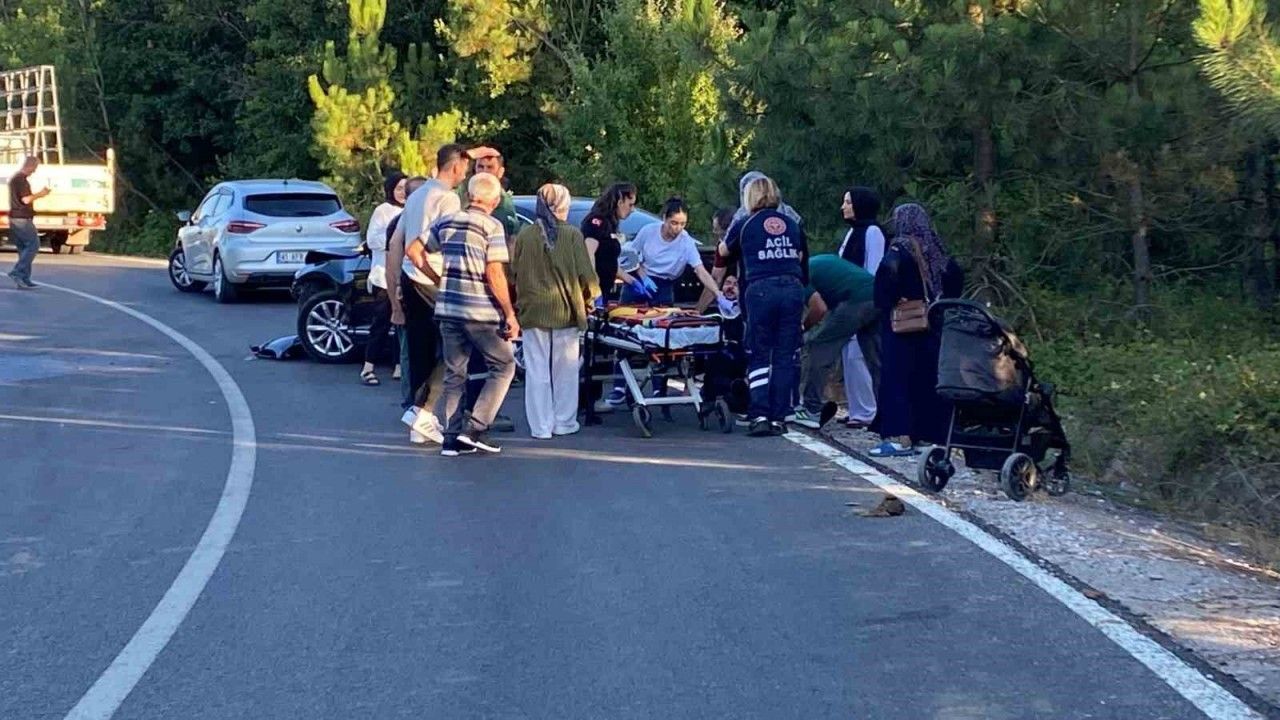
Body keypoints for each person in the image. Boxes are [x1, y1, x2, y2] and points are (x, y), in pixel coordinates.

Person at [427, 172, 519, 456]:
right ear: (495, 200)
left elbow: (416, 249)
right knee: (504, 365)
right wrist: (509, 313)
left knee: (455, 374)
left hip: (448, 308)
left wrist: (437, 278)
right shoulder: (492, 226)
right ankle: (476, 428)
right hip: (480, 311)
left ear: (469, 196)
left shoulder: (445, 222)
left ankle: (450, 439)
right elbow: (495, 272)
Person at [389, 143, 471, 446]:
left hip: (410, 278)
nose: (466, 174)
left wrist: (396, 286)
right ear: (455, 167)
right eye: (465, 168)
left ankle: (418, 417)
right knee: (455, 345)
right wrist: (441, 278)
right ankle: (424, 411)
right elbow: (446, 241)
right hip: (433, 276)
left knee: (420, 348)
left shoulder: (417, 195)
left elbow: (399, 242)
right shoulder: (448, 199)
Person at [870, 202, 965, 457]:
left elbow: (884, 285)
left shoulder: (899, 249)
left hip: (903, 327)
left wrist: (892, 300)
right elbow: (955, 277)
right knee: (928, 379)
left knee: (898, 380)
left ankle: (898, 437)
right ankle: (930, 436)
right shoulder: (936, 249)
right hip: (933, 325)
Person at [720, 175, 809, 437]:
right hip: (792, 288)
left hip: (760, 289)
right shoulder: (791, 223)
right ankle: (779, 417)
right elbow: (801, 257)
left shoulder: (745, 223)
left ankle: (759, 414)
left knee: (759, 354)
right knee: (784, 356)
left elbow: (723, 252)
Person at [510, 183, 600, 439]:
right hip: (566, 310)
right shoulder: (572, 235)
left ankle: (541, 427)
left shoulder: (526, 235)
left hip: (532, 309)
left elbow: (514, 271)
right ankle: (564, 421)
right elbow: (586, 274)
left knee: (537, 369)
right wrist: (591, 299)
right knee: (566, 370)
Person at [794, 254, 877, 430]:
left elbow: (819, 308)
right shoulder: (818, 262)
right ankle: (887, 416)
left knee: (819, 347)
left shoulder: (799, 274)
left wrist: (802, 329)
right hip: (877, 295)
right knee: (876, 361)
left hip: (855, 300)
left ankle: (811, 409)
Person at [835, 186, 886, 428]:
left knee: (859, 355)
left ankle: (868, 410)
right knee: (848, 354)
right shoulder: (852, 232)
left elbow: (873, 268)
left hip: (863, 301)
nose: (843, 207)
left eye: (848, 202)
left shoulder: (873, 232)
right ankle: (857, 407)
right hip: (848, 300)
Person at [623, 197, 723, 305]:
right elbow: (630, 255)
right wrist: (643, 276)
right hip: (639, 280)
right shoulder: (648, 231)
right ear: (665, 218)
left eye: (682, 224)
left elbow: (700, 271)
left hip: (664, 286)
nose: (678, 228)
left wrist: (718, 294)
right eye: (674, 223)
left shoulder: (686, 242)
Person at [359, 171, 407, 386]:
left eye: (406, 189)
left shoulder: (411, 211)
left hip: (404, 276)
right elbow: (372, 240)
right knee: (381, 322)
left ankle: (398, 365)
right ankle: (368, 367)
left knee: (401, 324)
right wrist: (395, 240)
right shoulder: (383, 211)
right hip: (383, 276)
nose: (402, 193)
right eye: (399, 188)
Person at [580, 182, 638, 302]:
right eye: (630, 205)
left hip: (605, 289)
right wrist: (593, 287)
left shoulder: (610, 224)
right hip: (593, 292)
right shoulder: (597, 222)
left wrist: (631, 280)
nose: (632, 210)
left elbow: (608, 262)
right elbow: (588, 254)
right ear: (620, 202)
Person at [458, 145, 521, 239]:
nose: (484, 171)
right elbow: (443, 174)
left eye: (490, 167)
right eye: (480, 167)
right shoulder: (464, 193)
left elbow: (511, 238)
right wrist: (468, 155)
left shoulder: (503, 202)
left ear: (500, 172)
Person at [7, 156, 50, 289]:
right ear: (30, 166)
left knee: (23, 248)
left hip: (16, 217)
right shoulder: (21, 180)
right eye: (35, 168)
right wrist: (41, 194)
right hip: (21, 218)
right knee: (33, 244)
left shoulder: (16, 178)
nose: (34, 171)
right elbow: (25, 199)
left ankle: (24, 279)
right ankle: (17, 272)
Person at [696, 207, 738, 312]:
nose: (714, 232)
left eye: (717, 229)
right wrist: (698, 312)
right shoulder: (721, 245)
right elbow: (715, 279)